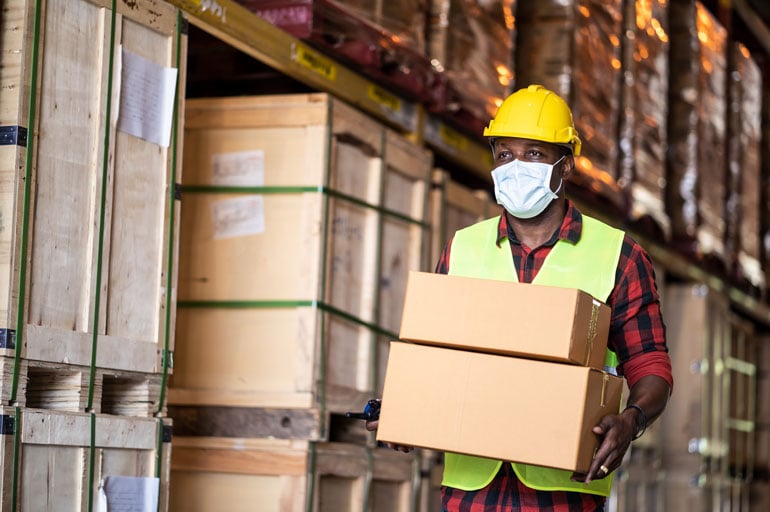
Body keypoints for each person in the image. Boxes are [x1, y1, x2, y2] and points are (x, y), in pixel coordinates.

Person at [367, 84, 673, 511]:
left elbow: (650, 366)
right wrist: (405, 410)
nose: (515, 166)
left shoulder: (618, 256)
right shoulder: (463, 248)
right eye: (505, 154)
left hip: (564, 495)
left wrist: (631, 421)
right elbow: (433, 359)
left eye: (534, 154)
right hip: (472, 495)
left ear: (564, 166)